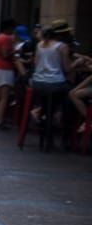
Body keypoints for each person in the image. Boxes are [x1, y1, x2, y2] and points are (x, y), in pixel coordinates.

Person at [30, 20, 76, 151]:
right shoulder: (62, 46)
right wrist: (77, 63)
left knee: (49, 101)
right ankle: (58, 116)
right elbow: (67, 68)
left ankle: (41, 112)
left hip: (38, 83)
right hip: (55, 83)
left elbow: (36, 64)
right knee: (69, 95)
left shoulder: (39, 45)